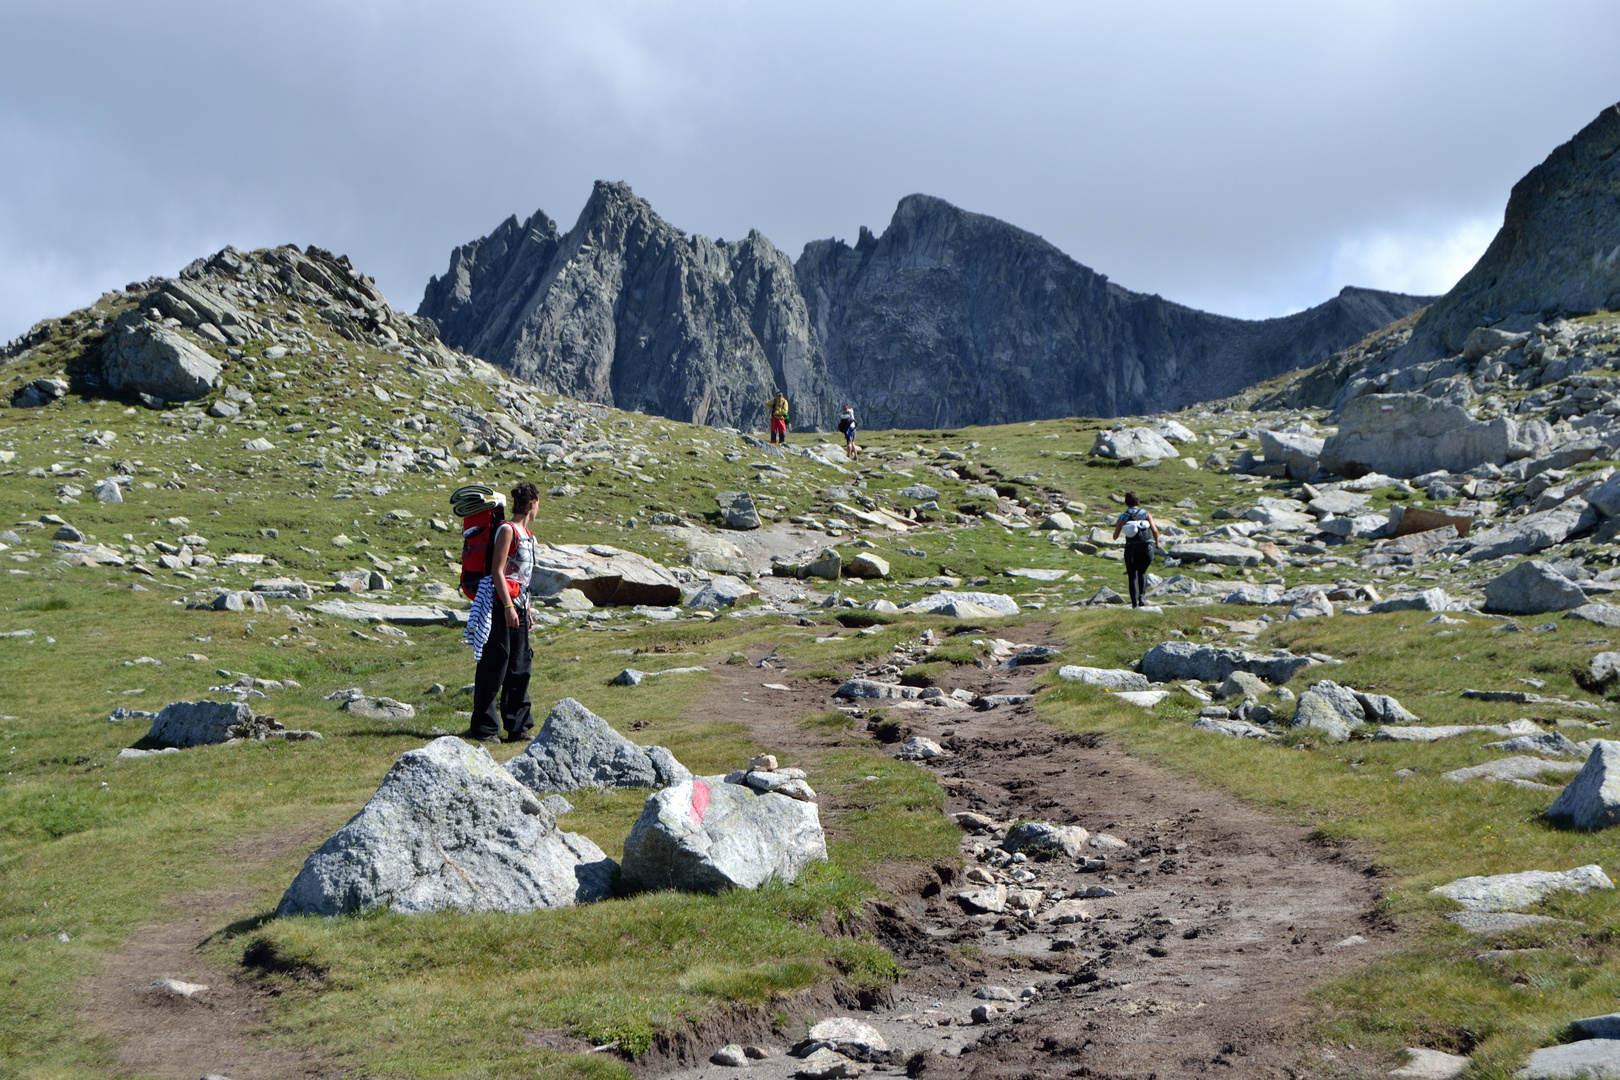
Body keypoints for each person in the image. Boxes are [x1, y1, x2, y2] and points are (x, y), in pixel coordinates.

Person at [465, 481, 540, 742]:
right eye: (538, 503)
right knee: (495, 664)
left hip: (519, 605)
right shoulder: (507, 531)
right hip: (500, 604)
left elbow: (524, 579)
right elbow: (497, 571)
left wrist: (526, 610)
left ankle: (518, 726)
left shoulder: (529, 535)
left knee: (520, 665)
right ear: (533, 504)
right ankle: (484, 728)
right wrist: (508, 606)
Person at [1111, 491, 1161, 609]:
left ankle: (1134, 604)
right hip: (1146, 547)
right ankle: (1142, 597)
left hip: (1131, 549)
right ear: (1138, 501)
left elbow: (1115, 536)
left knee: (1132, 575)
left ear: (1126, 502)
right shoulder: (1145, 514)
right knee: (1142, 572)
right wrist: (1157, 543)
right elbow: (1154, 530)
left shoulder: (1123, 516)